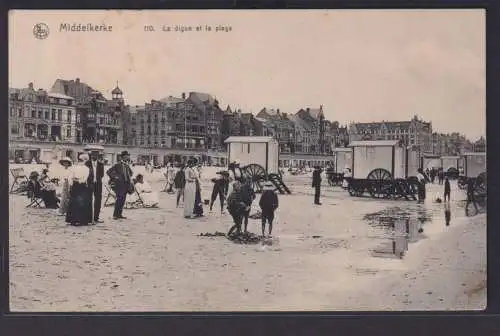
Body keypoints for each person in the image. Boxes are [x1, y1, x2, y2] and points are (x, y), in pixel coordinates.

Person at [65, 153, 93, 226]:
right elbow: (82, 179)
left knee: (77, 202)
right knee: (79, 202)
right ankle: (78, 220)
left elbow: (72, 178)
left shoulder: (80, 168)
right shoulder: (83, 168)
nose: (80, 161)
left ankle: (76, 219)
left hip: (78, 186)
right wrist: (75, 181)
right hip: (79, 186)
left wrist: (74, 181)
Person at [106, 151, 134, 220]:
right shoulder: (117, 165)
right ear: (122, 157)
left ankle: (119, 214)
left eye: (127, 156)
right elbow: (108, 172)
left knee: (123, 200)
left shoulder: (127, 165)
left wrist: (128, 176)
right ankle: (115, 215)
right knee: (119, 199)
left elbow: (131, 173)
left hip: (125, 185)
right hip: (119, 185)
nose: (127, 157)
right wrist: (116, 177)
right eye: (126, 156)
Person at [85, 149, 105, 223]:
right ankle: (89, 217)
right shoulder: (87, 163)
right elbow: (85, 174)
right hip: (89, 183)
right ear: (90, 156)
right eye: (93, 155)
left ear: (98, 156)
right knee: (89, 200)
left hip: (98, 184)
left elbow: (102, 174)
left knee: (98, 201)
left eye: (96, 155)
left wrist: (97, 179)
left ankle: (96, 217)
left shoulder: (101, 164)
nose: (94, 156)